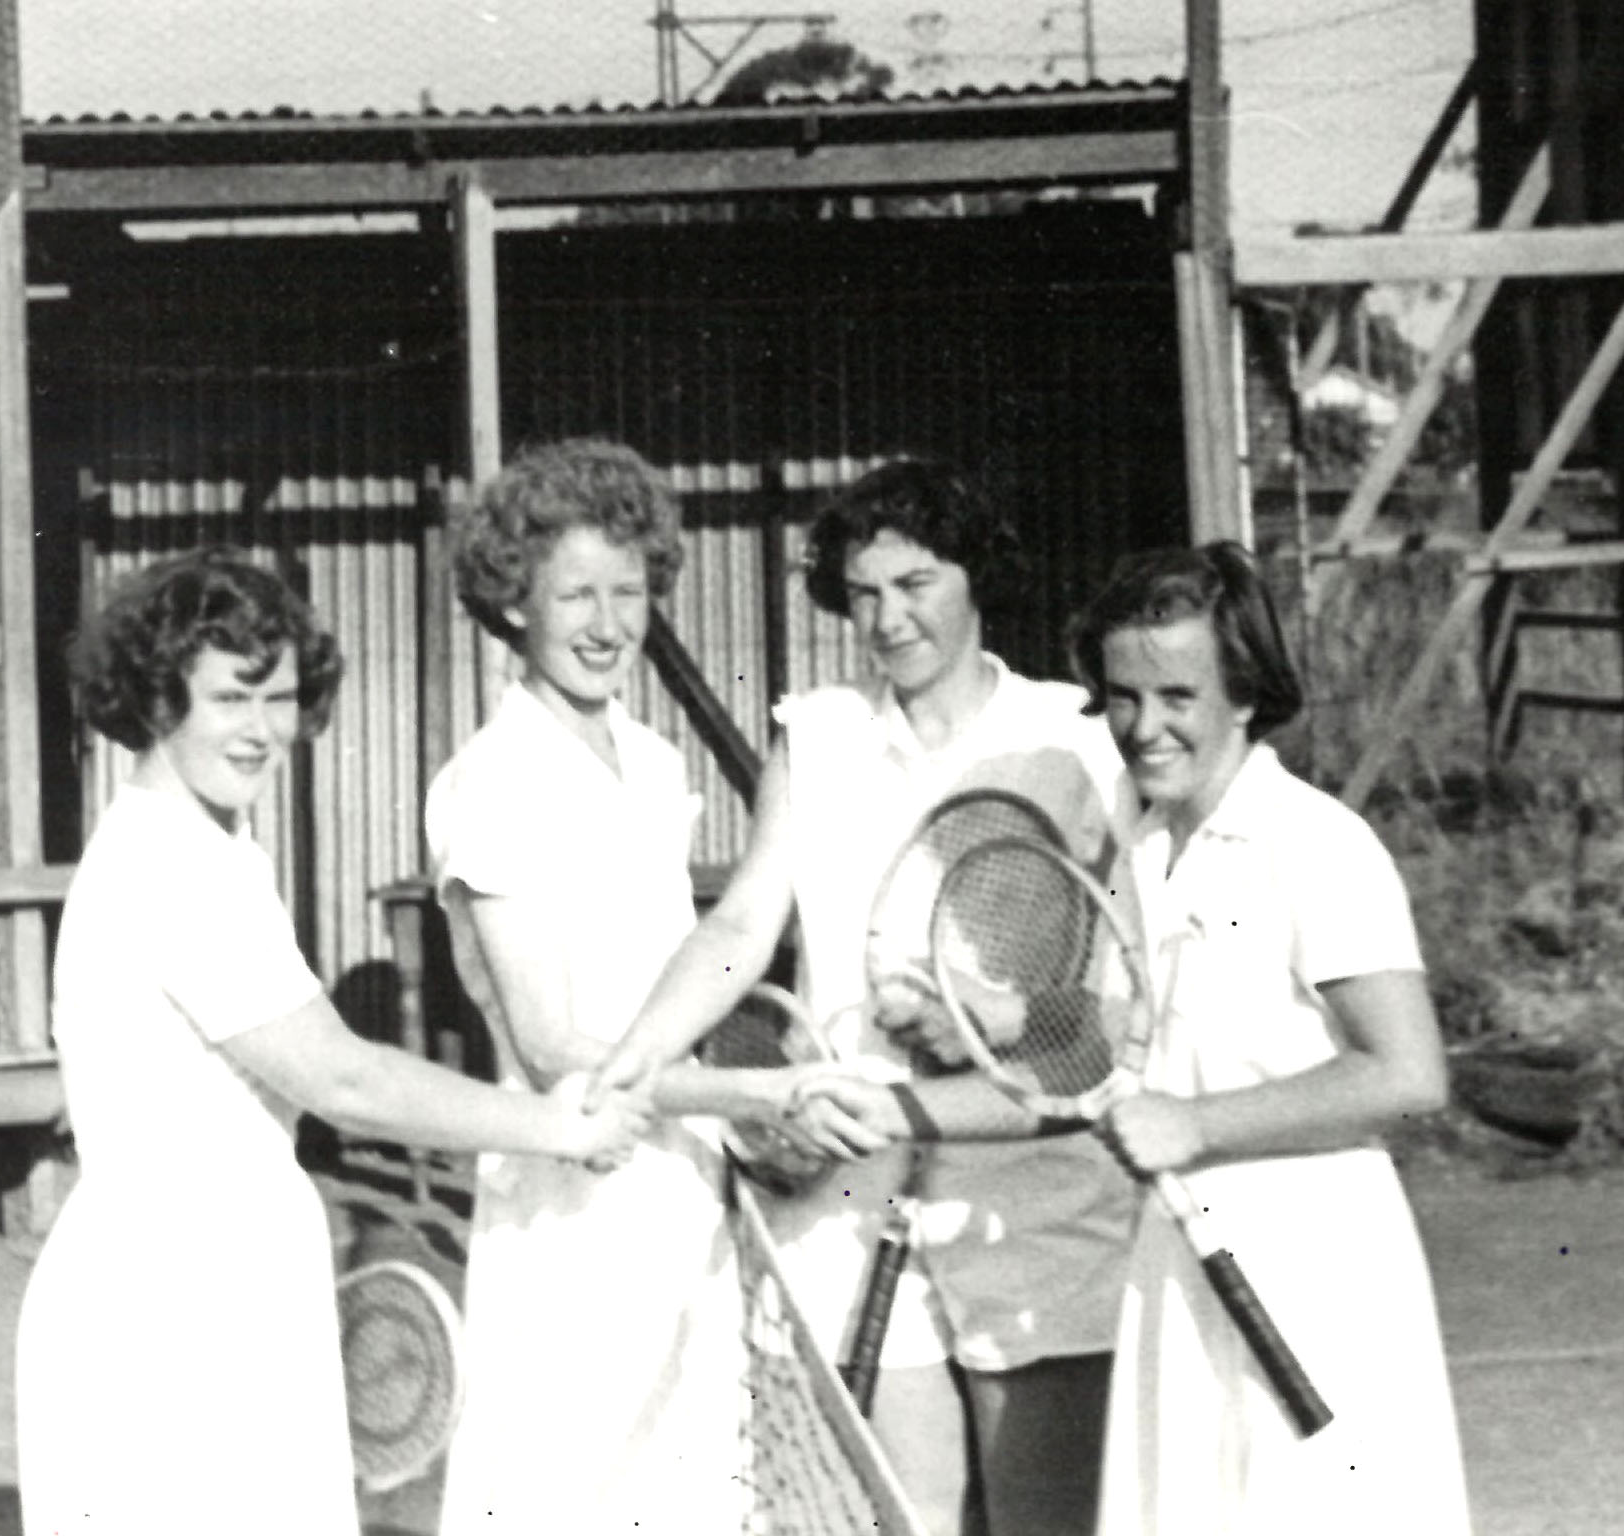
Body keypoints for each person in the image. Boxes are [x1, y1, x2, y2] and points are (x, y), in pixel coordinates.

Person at [14, 546, 650, 1536]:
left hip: (227, 1274)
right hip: (169, 1298)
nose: (266, 732)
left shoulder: (215, 844)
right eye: (232, 699)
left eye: (279, 699)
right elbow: (344, 1079)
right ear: (155, 698)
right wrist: (556, 1128)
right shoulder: (170, 865)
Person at [592, 458, 1139, 1536]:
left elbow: (1111, 1004)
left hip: (1032, 1194)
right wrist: (638, 1054)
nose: (890, 618)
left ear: (975, 577)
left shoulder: (1073, 741)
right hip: (856, 1186)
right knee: (898, 1519)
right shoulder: (821, 733)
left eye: (917, 583)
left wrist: (991, 1020)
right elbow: (744, 923)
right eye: (867, 592)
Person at [427, 439, 853, 1534]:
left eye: (629, 591)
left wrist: (731, 1114)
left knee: (694, 1495)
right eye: (575, 593)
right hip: (568, 1193)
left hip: (680, 1177)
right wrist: (752, 1100)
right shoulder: (490, 784)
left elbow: (684, 985)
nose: (607, 623)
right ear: (514, 603)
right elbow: (553, 1049)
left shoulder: (656, 766)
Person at [1072, 542, 1470, 1535]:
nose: (1145, 726)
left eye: (1177, 695)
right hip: (1180, 1261)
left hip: (1316, 1269)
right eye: (1123, 696)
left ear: (1244, 693)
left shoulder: (1317, 842)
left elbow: (1411, 1073)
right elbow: (1120, 1041)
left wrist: (1197, 1124)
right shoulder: (1135, 842)